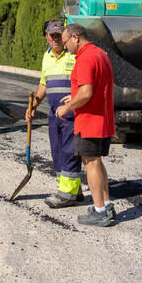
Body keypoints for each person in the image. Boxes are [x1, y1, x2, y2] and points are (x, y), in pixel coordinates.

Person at [55, 23, 117, 227]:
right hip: (102, 119)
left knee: (91, 163)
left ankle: (99, 211)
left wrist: (68, 107)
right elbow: (94, 88)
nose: (65, 47)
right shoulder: (100, 54)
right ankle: (106, 205)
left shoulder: (84, 57)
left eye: (65, 42)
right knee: (97, 162)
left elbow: (87, 92)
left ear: (75, 37)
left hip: (90, 121)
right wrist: (73, 96)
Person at [25, 20, 83, 208]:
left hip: (72, 113)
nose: (56, 39)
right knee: (57, 152)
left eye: (59, 35)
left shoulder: (74, 55)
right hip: (53, 114)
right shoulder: (47, 56)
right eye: (52, 35)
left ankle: (67, 195)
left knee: (70, 152)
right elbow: (44, 83)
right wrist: (34, 105)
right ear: (46, 37)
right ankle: (71, 189)